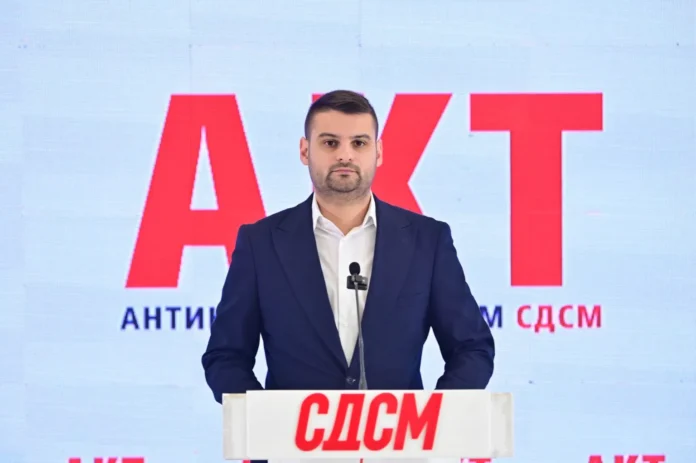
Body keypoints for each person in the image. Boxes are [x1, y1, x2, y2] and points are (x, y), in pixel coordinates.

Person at [201, 90, 494, 403]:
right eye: (330, 143)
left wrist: (434, 418)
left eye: (359, 143)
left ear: (378, 152)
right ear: (305, 151)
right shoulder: (261, 243)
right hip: (293, 435)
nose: (345, 155)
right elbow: (226, 357)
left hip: (397, 434)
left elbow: (472, 349)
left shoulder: (427, 241)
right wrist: (263, 419)